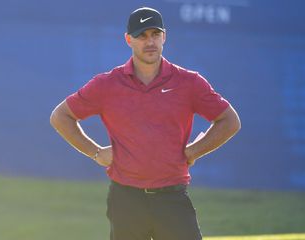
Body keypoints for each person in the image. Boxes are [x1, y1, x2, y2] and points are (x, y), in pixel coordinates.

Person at [50, 6, 241, 240]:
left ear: (164, 37)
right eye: (141, 35)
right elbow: (61, 116)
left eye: (155, 34)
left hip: (172, 199)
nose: (149, 42)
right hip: (126, 200)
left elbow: (229, 121)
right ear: (128, 39)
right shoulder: (107, 84)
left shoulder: (189, 82)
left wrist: (194, 150)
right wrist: (96, 152)